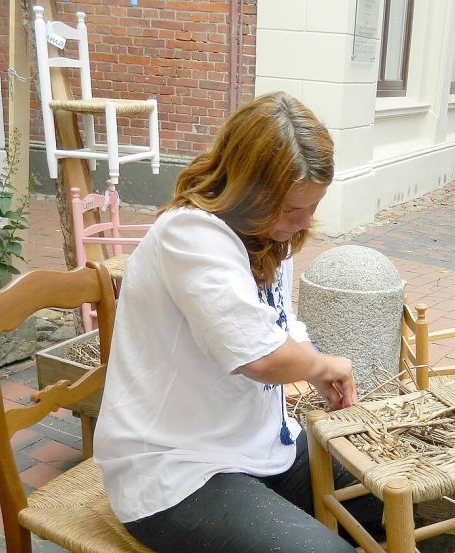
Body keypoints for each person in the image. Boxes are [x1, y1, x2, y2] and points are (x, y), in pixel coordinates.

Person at [93, 92, 381, 552]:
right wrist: (322, 366)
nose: (305, 221)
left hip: (256, 443)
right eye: (291, 208)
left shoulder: (264, 234)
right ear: (248, 190)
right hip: (175, 468)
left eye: (312, 205)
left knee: (376, 498)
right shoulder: (190, 234)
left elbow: (277, 324)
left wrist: (305, 357)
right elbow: (261, 357)